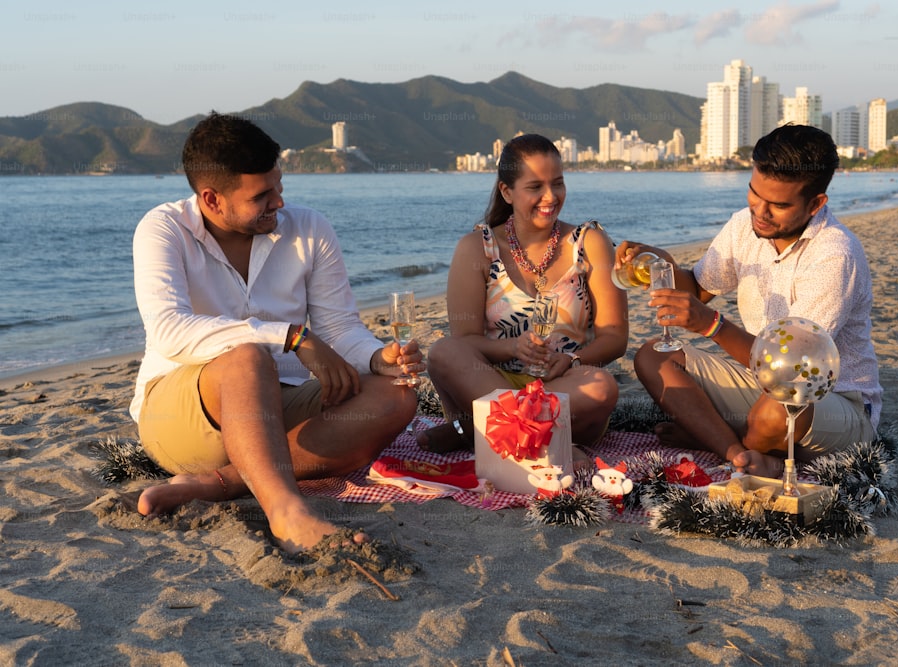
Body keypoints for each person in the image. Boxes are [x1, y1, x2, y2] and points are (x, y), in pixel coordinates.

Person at [129, 112, 423, 554]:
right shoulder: (163, 229)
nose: (279, 203)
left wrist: (378, 358)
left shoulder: (310, 229)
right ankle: (287, 512)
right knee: (247, 357)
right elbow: (170, 330)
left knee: (396, 395)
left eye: (279, 187)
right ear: (211, 199)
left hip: (280, 405)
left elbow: (340, 328)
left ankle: (221, 484)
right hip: (184, 416)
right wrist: (292, 337)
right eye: (262, 196)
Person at [618, 124, 882, 477]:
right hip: (759, 383)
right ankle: (736, 450)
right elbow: (697, 289)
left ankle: (728, 440)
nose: (760, 211)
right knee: (654, 356)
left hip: (832, 401)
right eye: (754, 194)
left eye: (779, 205)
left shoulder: (834, 255)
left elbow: (789, 370)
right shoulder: (745, 225)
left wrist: (712, 325)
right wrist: (656, 261)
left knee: (775, 408)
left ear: (816, 204)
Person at [417, 134, 628, 453]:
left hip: (563, 391)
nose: (550, 196)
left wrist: (572, 359)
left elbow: (615, 338)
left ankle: (482, 434)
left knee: (602, 385)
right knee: (444, 352)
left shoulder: (590, 243)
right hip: (488, 388)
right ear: (507, 191)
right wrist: (513, 347)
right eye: (535, 187)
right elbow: (466, 342)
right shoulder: (477, 249)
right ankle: (539, 443)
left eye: (557, 183)